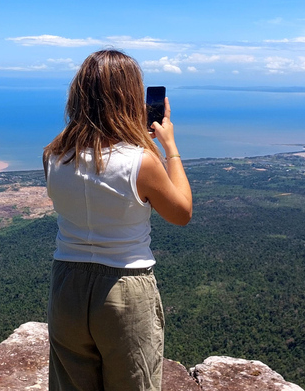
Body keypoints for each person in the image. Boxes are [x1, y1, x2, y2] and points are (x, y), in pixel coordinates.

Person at [43, 48, 193, 391]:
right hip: (125, 288)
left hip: (66, 284)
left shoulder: (52, 155)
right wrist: (169, 147)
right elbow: (182, 212)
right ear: (128, 99)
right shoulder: (141, 161)